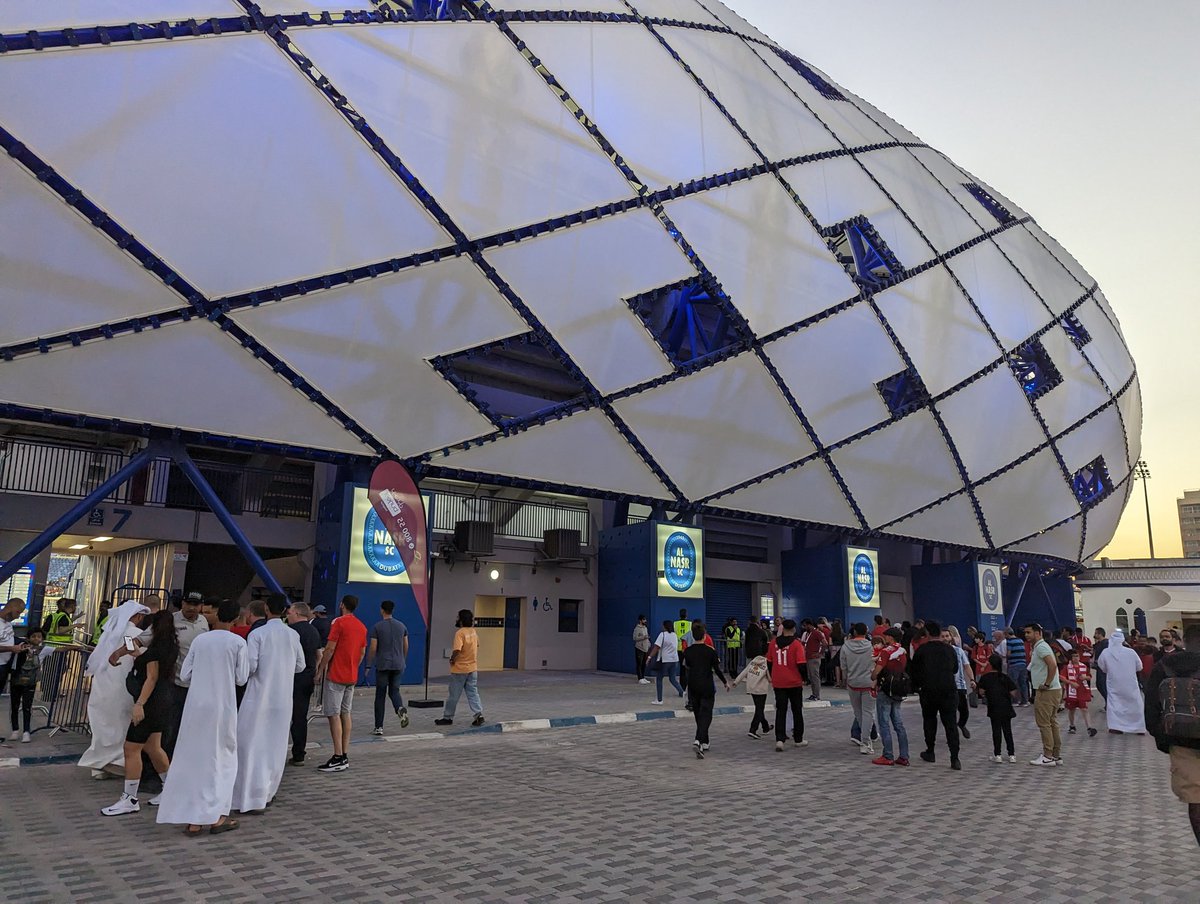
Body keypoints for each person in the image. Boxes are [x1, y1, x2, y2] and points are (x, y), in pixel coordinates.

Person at [155, 599, 249, 836]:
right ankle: (217, 816)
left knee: (193, 757)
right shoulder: (238, 643)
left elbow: (185, 674)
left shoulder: (200, 640)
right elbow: (241, 678)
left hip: (196, 706)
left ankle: (193, 819)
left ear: (216, 615)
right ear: (236, 618)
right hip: (223, 706)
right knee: (223, 760)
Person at [231, 593, 305, 812]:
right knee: (276, 746)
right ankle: (268, 792)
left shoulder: (258, 634)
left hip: (258, 698)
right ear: (284, 611)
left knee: (250, 745)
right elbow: (300, 665)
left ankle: (247, 794)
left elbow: (251, 666)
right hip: (283, 699)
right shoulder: (293, 635)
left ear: (265, 608)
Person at [100, 609, 179, 815]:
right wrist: (130, 652)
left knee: (131, 748)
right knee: (153, 746)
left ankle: (129, 798)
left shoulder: (154, 650)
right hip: (164, 700)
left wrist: (140, 704)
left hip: (150, 702)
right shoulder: (170, 647)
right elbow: (141, 653)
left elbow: (151, 678)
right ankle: (170, 789)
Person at [79, 599, 150, 779]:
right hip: (122, 686)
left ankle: (99, 766)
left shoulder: (108, 633)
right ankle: (118, 763)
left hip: (102, 684)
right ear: (138, 616)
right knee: (121, 725)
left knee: (102, 724)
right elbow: (140, 655)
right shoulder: (135, 634)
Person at [1144, 622, 1200, 847]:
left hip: (1181, 741)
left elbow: (1151, 708)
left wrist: (1165, 739)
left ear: (1183, 641)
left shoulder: (1166, 665)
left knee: (1196, 799)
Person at [313, 595, 368, 772]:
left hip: (336, 674)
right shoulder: (361, 626)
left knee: (333, 714)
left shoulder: (339, 623)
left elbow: (329, 649)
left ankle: (337, 756)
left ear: (342, 605)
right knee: (346, 712)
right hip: (351, 675)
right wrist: (353, 666)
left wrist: (320, 669)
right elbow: (362, 652)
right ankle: (344, 753)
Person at [910, 619, 962, 770]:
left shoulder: (922, 650)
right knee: (951, 724)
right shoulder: (949, 650)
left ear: (926, 633)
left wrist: (917, 687)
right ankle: (955, 758)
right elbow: (955, 669)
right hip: (948, 690)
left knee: (929, 721)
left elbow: (914, 672)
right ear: (939, 633)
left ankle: (930, 751)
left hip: (929, 691)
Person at [164, 591, 208, 758]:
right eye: (188, 604)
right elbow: (148, 636)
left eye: (195, 605)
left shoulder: (203, 621)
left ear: (201, 606)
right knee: (172, 724)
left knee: (191, 724)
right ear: (182, 603)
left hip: (197, 684)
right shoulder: (171, 620)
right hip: (176, 682)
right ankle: (167, 759)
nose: (191, 608)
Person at [681, 622, 729, 758]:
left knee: (698, 714)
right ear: (704, 636)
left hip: (693, 686)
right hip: (707, 686)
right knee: (706, 714)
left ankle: (704, 741)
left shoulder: (688, 651)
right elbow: (717, 669)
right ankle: (698, 739)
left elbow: (687, 668)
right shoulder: (710, 651)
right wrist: (725, 682)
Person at [434, 609, 484, 730]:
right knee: (473, 693)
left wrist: (452, 659)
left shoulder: (460, 633)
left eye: (458, 617)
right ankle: (478, 714)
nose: (456, 619)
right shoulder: (473, 631)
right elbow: (477, 645)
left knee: (453, 695)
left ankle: (448, 717)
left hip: (460, 669)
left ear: (461, 620)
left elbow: (457, 649)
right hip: (473, 668)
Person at [368, 599, 411, 736]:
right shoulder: (402, 626)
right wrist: (403, 659)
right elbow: (406, 645)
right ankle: (400, 708)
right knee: (394, 691)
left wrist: (368, 664)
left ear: (382, 610)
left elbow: (373, 648)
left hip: (383, 664)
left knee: (380, 695)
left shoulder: (377, 627)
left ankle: (379, 727)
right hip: (398, 664)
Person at [286, 602, 321, 766]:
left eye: (290, 613)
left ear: (298, 614)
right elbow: (318, 655)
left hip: (292, 678)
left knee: (284, 716)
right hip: (307, 678)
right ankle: (299, 753)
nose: (287, 616)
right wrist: (315, 671)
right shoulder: (313, 630)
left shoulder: (291, 632)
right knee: (300, 717)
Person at [766, 619, 807, 752]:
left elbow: (769, 662)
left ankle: (780, 739)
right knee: (797, 710)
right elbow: (801, 664)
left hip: (778, 682)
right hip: (794, 682)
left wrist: (773, 675)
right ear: (794, 629)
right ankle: (798, 739)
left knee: (781, 710)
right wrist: (805, 679)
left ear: (782, 629)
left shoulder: (773, 643)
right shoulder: (796, 644)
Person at [871, 627, 910, 766]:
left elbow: (877, 670)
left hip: (886, 689)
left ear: (891, 638)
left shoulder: (886, 651)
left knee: (884, 723)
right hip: (899, 689)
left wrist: (873, 676)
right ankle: (904, 756)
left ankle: (887, 755)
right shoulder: (903, 651)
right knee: (899, 724)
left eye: (886, 636)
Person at [1096, 629, 1146, 735]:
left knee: (1115, 704)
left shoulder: (1106, 652)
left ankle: (1116, 727)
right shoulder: (1131, 652)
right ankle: (1138, 727)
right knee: (1135, 703)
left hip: (1114, 683)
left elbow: (1102, 667)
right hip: (1130, 683)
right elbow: (1139, 667)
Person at [1026, 623, 1063, 766]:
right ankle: (1055, 755)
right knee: (1052, 722)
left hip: (1046, 691)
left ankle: (1048, 755)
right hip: (1053, 690)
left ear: (1037, 633)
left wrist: (1047, 683)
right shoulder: (1039, 647)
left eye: (1029, 632)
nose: (1026, 635)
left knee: (1044, 723)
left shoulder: (1041, 647)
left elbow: (1052, 665)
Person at [840, 622, 877, 756]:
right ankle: (866, 743)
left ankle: (864, 740)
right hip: (869, 683)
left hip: (853, 684)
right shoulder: (871, 646)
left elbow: (843, 667)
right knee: (868, 713)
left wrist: (845, 680)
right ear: (866, 632)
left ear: (854, 632)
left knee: (858, 713)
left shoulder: (845, 646)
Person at [975, 653, 1017, 763]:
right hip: (1006, 706)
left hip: (994, 706)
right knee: (1008, 730)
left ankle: (997, 754)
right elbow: (1014, 692)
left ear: (990, 664)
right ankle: (1012, 754)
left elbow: (981, 692)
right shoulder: (1005, 677)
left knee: (996, 730)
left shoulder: (985, 678)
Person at [8, 628, 44, 742]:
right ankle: (15, 730)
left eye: (39, 637)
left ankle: (26, 731)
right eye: (33, 636)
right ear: (28, 638)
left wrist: (77, 647)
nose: (36, 639)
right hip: (16, 679)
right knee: (14, 705)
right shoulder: (21, 646)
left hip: (30, 682)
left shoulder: (43, 649)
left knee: (27, 706)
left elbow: (60, 649)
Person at [730, 651, 771, 739]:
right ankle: (753, 730)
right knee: (759, 710)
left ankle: (765, 727)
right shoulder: (767, 663)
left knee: (759, 708)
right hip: (761, 689)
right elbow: (770, 678)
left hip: (751, 688)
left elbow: (744, 672)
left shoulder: (753, 662)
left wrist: (736, 681)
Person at [645, 620, 683, 705]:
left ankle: (659, 700)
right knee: (672, 678)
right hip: (674, 659)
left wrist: (649, 657)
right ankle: (681, 691)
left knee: (659, 679)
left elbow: (656, 647)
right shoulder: (674, 635)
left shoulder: (662, 635)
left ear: (665, 626)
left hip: (665, 660)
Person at [947, 626, 976, 740]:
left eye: (947, 636)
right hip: (946, 686)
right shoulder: (938, 652)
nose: (945, 638)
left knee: (964, 710)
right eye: (942, 636)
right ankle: (952, 734)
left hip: (959, 685)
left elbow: (967, 666)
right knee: (950, 711)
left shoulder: (959, 651)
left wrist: (972, 679)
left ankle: (962, 724)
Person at [1062, 647, 1095, 737]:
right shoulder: (1067, 667)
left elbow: (1089, 676)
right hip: (1072, 691)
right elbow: (1062, 677)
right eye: (1074, 656)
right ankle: (1072, 725)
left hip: (1082, 690)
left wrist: (1085, 677)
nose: (1076, 658)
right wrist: (1071, 683)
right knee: (1071, 709)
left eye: (1077, 656)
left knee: (1084, 709)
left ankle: (1089, 727)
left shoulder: (1083, 666)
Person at [0, 598, 27, 699]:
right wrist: (11, 648)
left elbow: (8, 639)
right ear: (11, 607)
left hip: (4, 665)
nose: (17, 616)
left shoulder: (7, 624)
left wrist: (22, 644)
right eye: (18, 612)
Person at [800, 619, 826, 701]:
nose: (804, 627)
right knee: (811, 677)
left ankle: (816, 695)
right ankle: (814, 694)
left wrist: (820, 653)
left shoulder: (816, 633)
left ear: (809, 625)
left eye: (805, 625)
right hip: (808, 657)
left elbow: (824, 643)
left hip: (814, 658)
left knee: (814, 676)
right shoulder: (808, 634)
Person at [1004, 627, 1030, 706]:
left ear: (1007, 634)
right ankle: (1025, 701)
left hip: (1014, 664)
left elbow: (1009, 653)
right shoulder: (1020, 640)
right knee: (1023, 683)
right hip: (1023, 664)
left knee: (1013, 683)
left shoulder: (1009, 641)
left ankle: (1015, 701)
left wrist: (1006, 658)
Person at [674, 609, 692, 691]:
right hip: (687, 649)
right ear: (686, 615)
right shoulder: (690, 624)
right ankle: (688, 687)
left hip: (678, 648)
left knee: (682, 669)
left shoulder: (675, 624)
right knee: (688, 668)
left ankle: (682, 688)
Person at [1092, 627, 1110, 705]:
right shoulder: (1099, 644)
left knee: (1102, 684)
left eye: (1096, 633)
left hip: (1103, 667)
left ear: (1100, 634)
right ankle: (1107, 701)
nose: (1094, 635)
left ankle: (1109, 702)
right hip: (1099, 666)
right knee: (1099, 685)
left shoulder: (1106, 643)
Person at [632, 615, 650, 684]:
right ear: (640, 620)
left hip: (645, 648)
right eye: (644, 620)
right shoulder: (637, 628)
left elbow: (647, 637)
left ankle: (643, 677)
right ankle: (640, 678)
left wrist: (648, 643)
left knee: (644, 664)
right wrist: (643, 637)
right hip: (639, 648)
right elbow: (634, 638)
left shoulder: (645, 628)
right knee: (639, 663)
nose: (645, 621)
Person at [829, 618, 845, 688]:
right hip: (842, 649)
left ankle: (838, 682)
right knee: (842, 666)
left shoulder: (831, 634)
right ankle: (844, 682)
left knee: (836, 666)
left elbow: (830, 643)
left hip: (834, 649)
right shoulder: (843, 634)